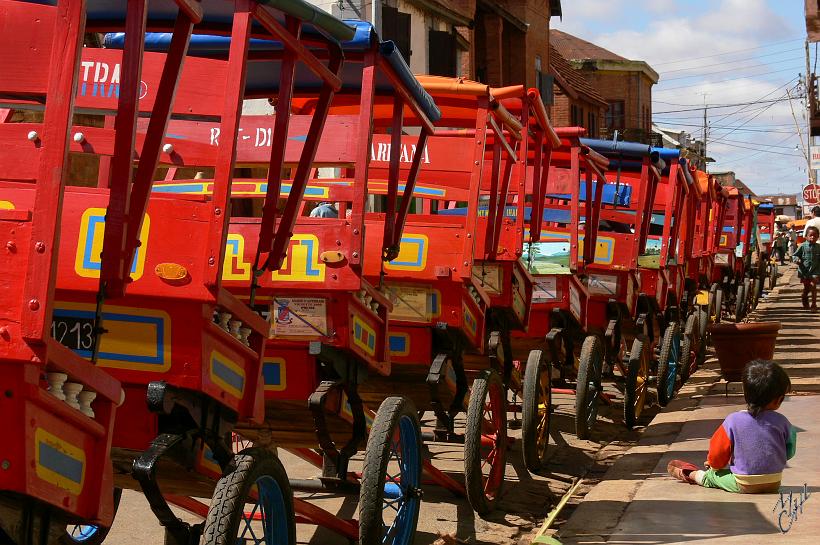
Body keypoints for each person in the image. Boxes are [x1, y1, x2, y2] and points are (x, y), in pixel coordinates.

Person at [667, 360, 795, 494]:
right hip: (774, 482)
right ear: (778, 400)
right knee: (731, 472)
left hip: (743, 484)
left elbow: (717, 454)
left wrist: (714, 466)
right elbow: (790, 452)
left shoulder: (733, 421)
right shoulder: (783, 422)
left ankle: (691, 474)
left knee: (712, 477)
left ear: (745, 391)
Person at [794, 225, 820, 310]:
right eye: (810, 235)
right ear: (806, 236)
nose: (813, 237)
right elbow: (795, 255)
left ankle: (814, 304)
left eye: (815, 236)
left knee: (813, 286)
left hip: (815, 270)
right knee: (806, 289)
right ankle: (804, 299)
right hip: (804, 271)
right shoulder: (802, 246)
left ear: (818, 237)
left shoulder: (818, 247)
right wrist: (797, 259)